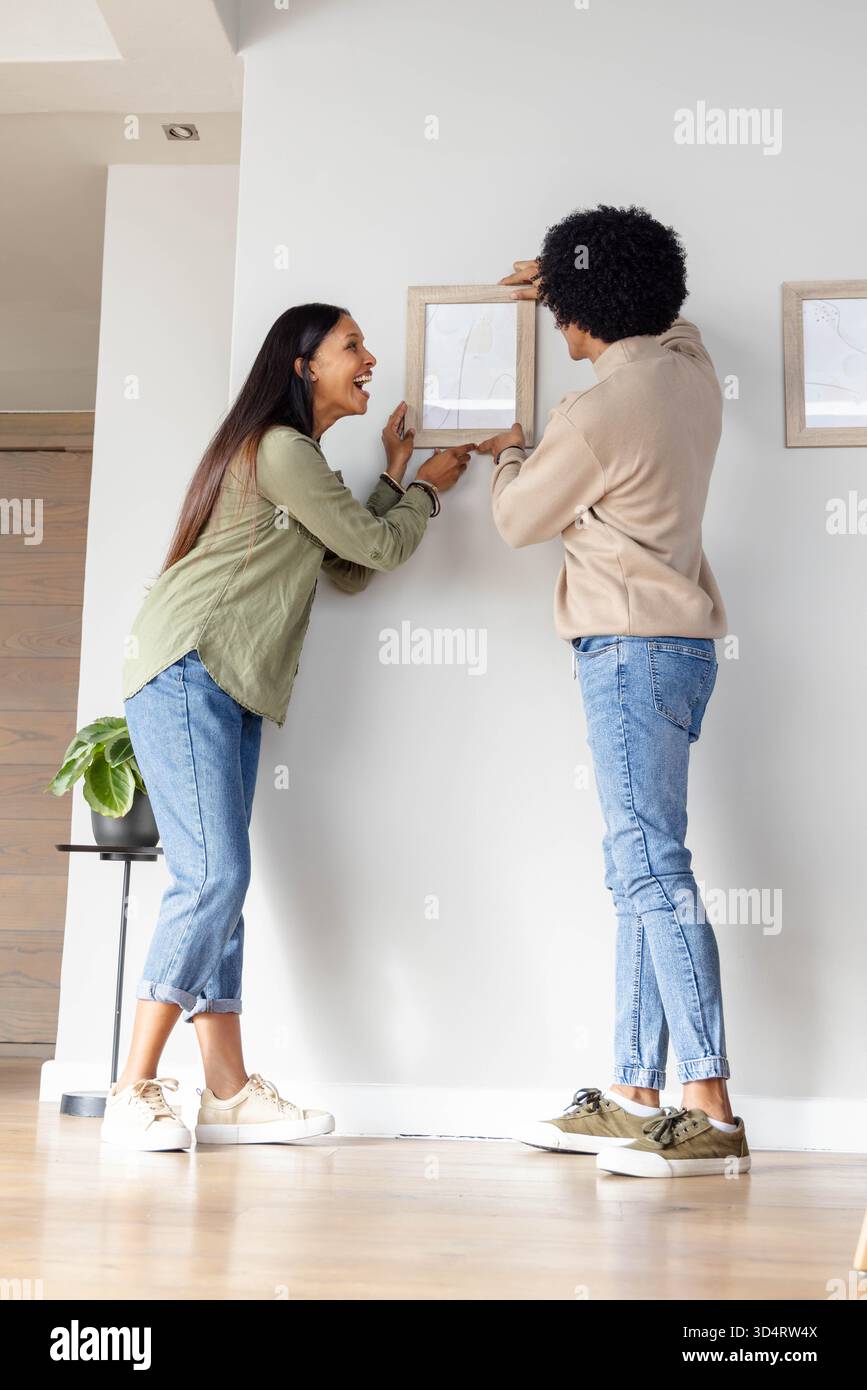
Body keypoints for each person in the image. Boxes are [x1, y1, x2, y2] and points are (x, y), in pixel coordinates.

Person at [105, 302, 472, 1151]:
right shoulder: (279, 449)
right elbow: (378, 550)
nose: (369, 357)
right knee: (212, 880)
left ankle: (227, 1091)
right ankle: (133, 1087)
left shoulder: (294, 460)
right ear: (304, 365)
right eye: (353, 346)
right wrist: (423, 492)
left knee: (217, 883)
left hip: (228, 682)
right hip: (189, 667)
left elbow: (344, 563)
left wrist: (394, 475)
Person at [477, 206, 750, 1178]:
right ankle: (636, 1090)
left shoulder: (594, 414)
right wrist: (568, 271)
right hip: (680, 650)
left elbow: (516, 518)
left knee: (647, 867)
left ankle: (708, 1103)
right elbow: (667, 315)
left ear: (584, 318)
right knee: (640, 867)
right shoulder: (689, 371)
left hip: (628, 649)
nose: (558, 331)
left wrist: (505, 451)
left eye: (561, 311)